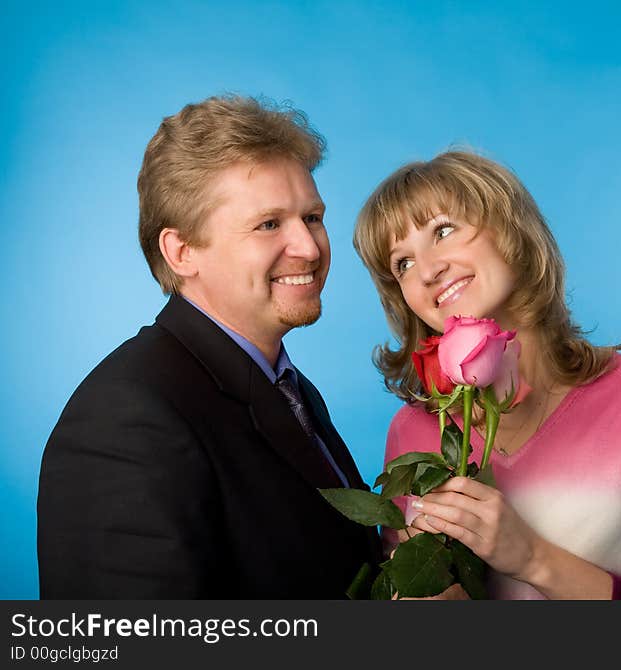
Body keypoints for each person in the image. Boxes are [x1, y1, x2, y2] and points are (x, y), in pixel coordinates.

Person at [353, 150, 621, 599]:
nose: (426, 271)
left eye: (444, 230)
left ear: (511, 231)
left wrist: (532, 558)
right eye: (402, 263)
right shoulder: (414, 431)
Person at [37, 95, 382, 598]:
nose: (309, 248)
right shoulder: (125, 419)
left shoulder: (288, 388)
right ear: (182, 252)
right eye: (268, 224)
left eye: (311, 217)